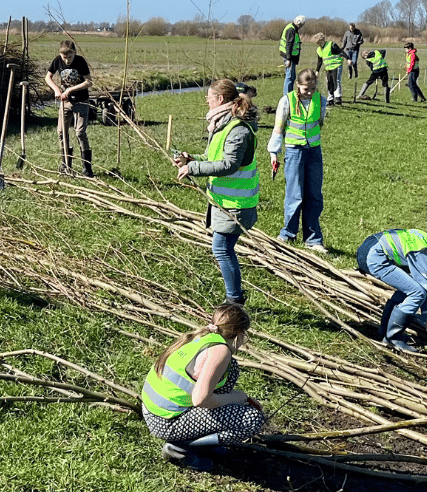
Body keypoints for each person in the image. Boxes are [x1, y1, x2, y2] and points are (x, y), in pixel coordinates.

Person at [141, 303, 265, 471]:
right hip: (165, 421)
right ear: (240, 334)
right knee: (252, 419)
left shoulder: (205, 336)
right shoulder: (221, 351)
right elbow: (200, 399)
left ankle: (202, 438)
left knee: (232, 369)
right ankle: (181, 449)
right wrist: (237, 397)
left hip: (152, 409)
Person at [173, 79, 259, 305]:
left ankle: (234, 300)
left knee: (221, 248)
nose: (206, 101)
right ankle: (234, 296)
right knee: (223, 247)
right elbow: (213, 158)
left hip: (236, 203)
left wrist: (193, 168)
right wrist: (190, 159)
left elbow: (229, 164)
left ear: (220, 100)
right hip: (225, 201)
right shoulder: (221, 124)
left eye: (209, 97)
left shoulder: (238, 129)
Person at [356, 227, 427, 352]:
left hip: (366, 249)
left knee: (409, 289)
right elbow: (425, 291)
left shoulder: (424, 239)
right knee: (417, 292)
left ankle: (383, 332)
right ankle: (393, 338)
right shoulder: (425, 253)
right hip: (374, 257)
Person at [267, 69, 328, 254]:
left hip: (314, 151)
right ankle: (288, 234)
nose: (309, 92)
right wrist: (274, 152)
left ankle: (313, 239)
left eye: (312, 88)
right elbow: (279, 128)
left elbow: (320, 122)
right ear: (297, 86)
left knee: (314, 195)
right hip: (294, 151)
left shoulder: (321, 100)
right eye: (305, 89)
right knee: (295, 194)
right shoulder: (286, 101)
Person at [45, 40, 94, 177]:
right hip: (65, 103)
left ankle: (87, 168)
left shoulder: (80, 61)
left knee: (80, 133)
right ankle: (66, 165)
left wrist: (70, 89)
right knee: (61, 132)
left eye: (70, 57)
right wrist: (56, 89)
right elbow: (47, 77)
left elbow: (89, 82)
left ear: (74, 53)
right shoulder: (57, 60)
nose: (67, 61)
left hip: (81, 102)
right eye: (64, 58)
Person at [313, 32, 347, 107]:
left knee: (336, 81)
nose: (319, 45)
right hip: (328, 68)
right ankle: (330, 98)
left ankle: (338, 97)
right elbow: (319, 61)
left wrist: (348, 59)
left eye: (319, 43)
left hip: (336, 66)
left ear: (322, 41)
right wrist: (317, 71)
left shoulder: (331, 45)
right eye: (317, 44)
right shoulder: (319, 50)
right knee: (329, 82)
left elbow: (341, 52)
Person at [278, 16, 306, 95]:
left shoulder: (293, 28)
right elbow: (289, 45)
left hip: (291, 56)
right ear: (298, 23)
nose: (301, 27)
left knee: (292, 76)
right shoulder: (291, 30)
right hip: (289, 56)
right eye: (301, 25)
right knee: (289, 77)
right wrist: (289, 59)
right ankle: (287, 96)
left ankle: (289, 94)